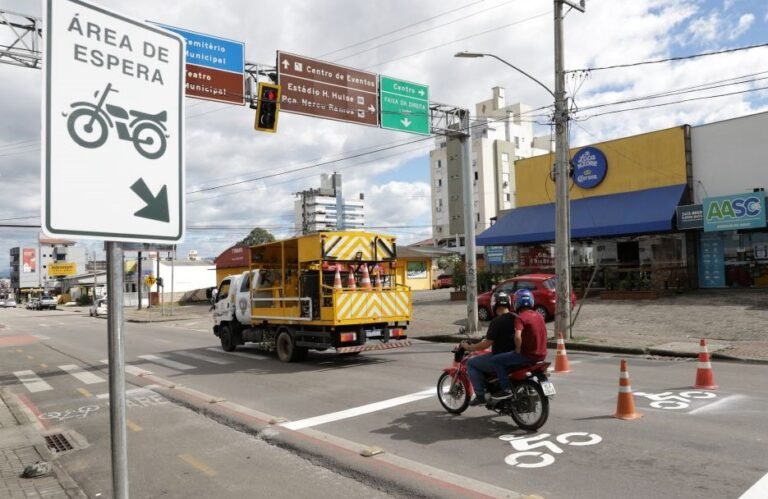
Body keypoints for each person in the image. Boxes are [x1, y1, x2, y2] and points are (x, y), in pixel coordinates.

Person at [489, 289, 549, 399]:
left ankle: (506, 389)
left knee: (496, 360)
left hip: (528, 356)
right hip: (542, 355)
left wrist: (518, 349)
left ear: (517, 303)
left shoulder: (520, 318)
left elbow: (517, 336)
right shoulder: (540, 316)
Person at [460, 291, 517, 406]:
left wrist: (470, 347)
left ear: (494, 304)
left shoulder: (496, 322)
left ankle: (480, 395)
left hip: (500, 358)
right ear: (509, 304)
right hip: (515, 357)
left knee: (471, 363)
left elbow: (486, 344)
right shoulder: (516, 318)